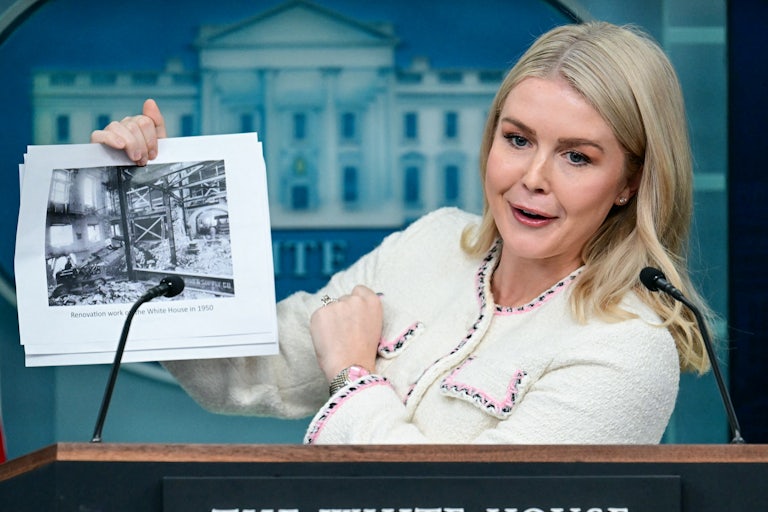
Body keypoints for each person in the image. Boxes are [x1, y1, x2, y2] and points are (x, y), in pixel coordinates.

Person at [91, 21, 712, 444]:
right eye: (517, 139)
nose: (532, 177)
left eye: (577, 156)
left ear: (631, 180)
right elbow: (246, 372)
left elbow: (462, 505)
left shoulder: (628, 348)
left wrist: (356, 380)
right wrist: (150, 206)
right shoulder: (431, 243)